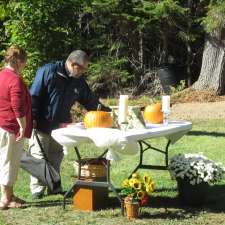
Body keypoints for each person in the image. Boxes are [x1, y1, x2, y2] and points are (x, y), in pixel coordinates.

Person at [29, 50, 110, 199]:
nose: (84, 71)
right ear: (73, 64)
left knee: (56, 155)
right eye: (83, 68)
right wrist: (32, 117)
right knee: (38, 156)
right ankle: (37, 190)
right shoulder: (48, 71)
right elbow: (34, 95)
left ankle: (54, 187)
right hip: (41, 123)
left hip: (61, 126)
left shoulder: (78, 79)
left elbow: (89, 100)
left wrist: (107, 112)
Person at [0, 46, 32, 209]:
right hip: (11, 127)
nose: (25, 65)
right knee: (9, 162)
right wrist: (22, 125)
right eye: (25, 62)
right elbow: (17, 105)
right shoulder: (14, 79)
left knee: (7, 161)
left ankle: (9, 195)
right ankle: (5, 199)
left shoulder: (1, 75)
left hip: (2, 125)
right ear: (19, 62)